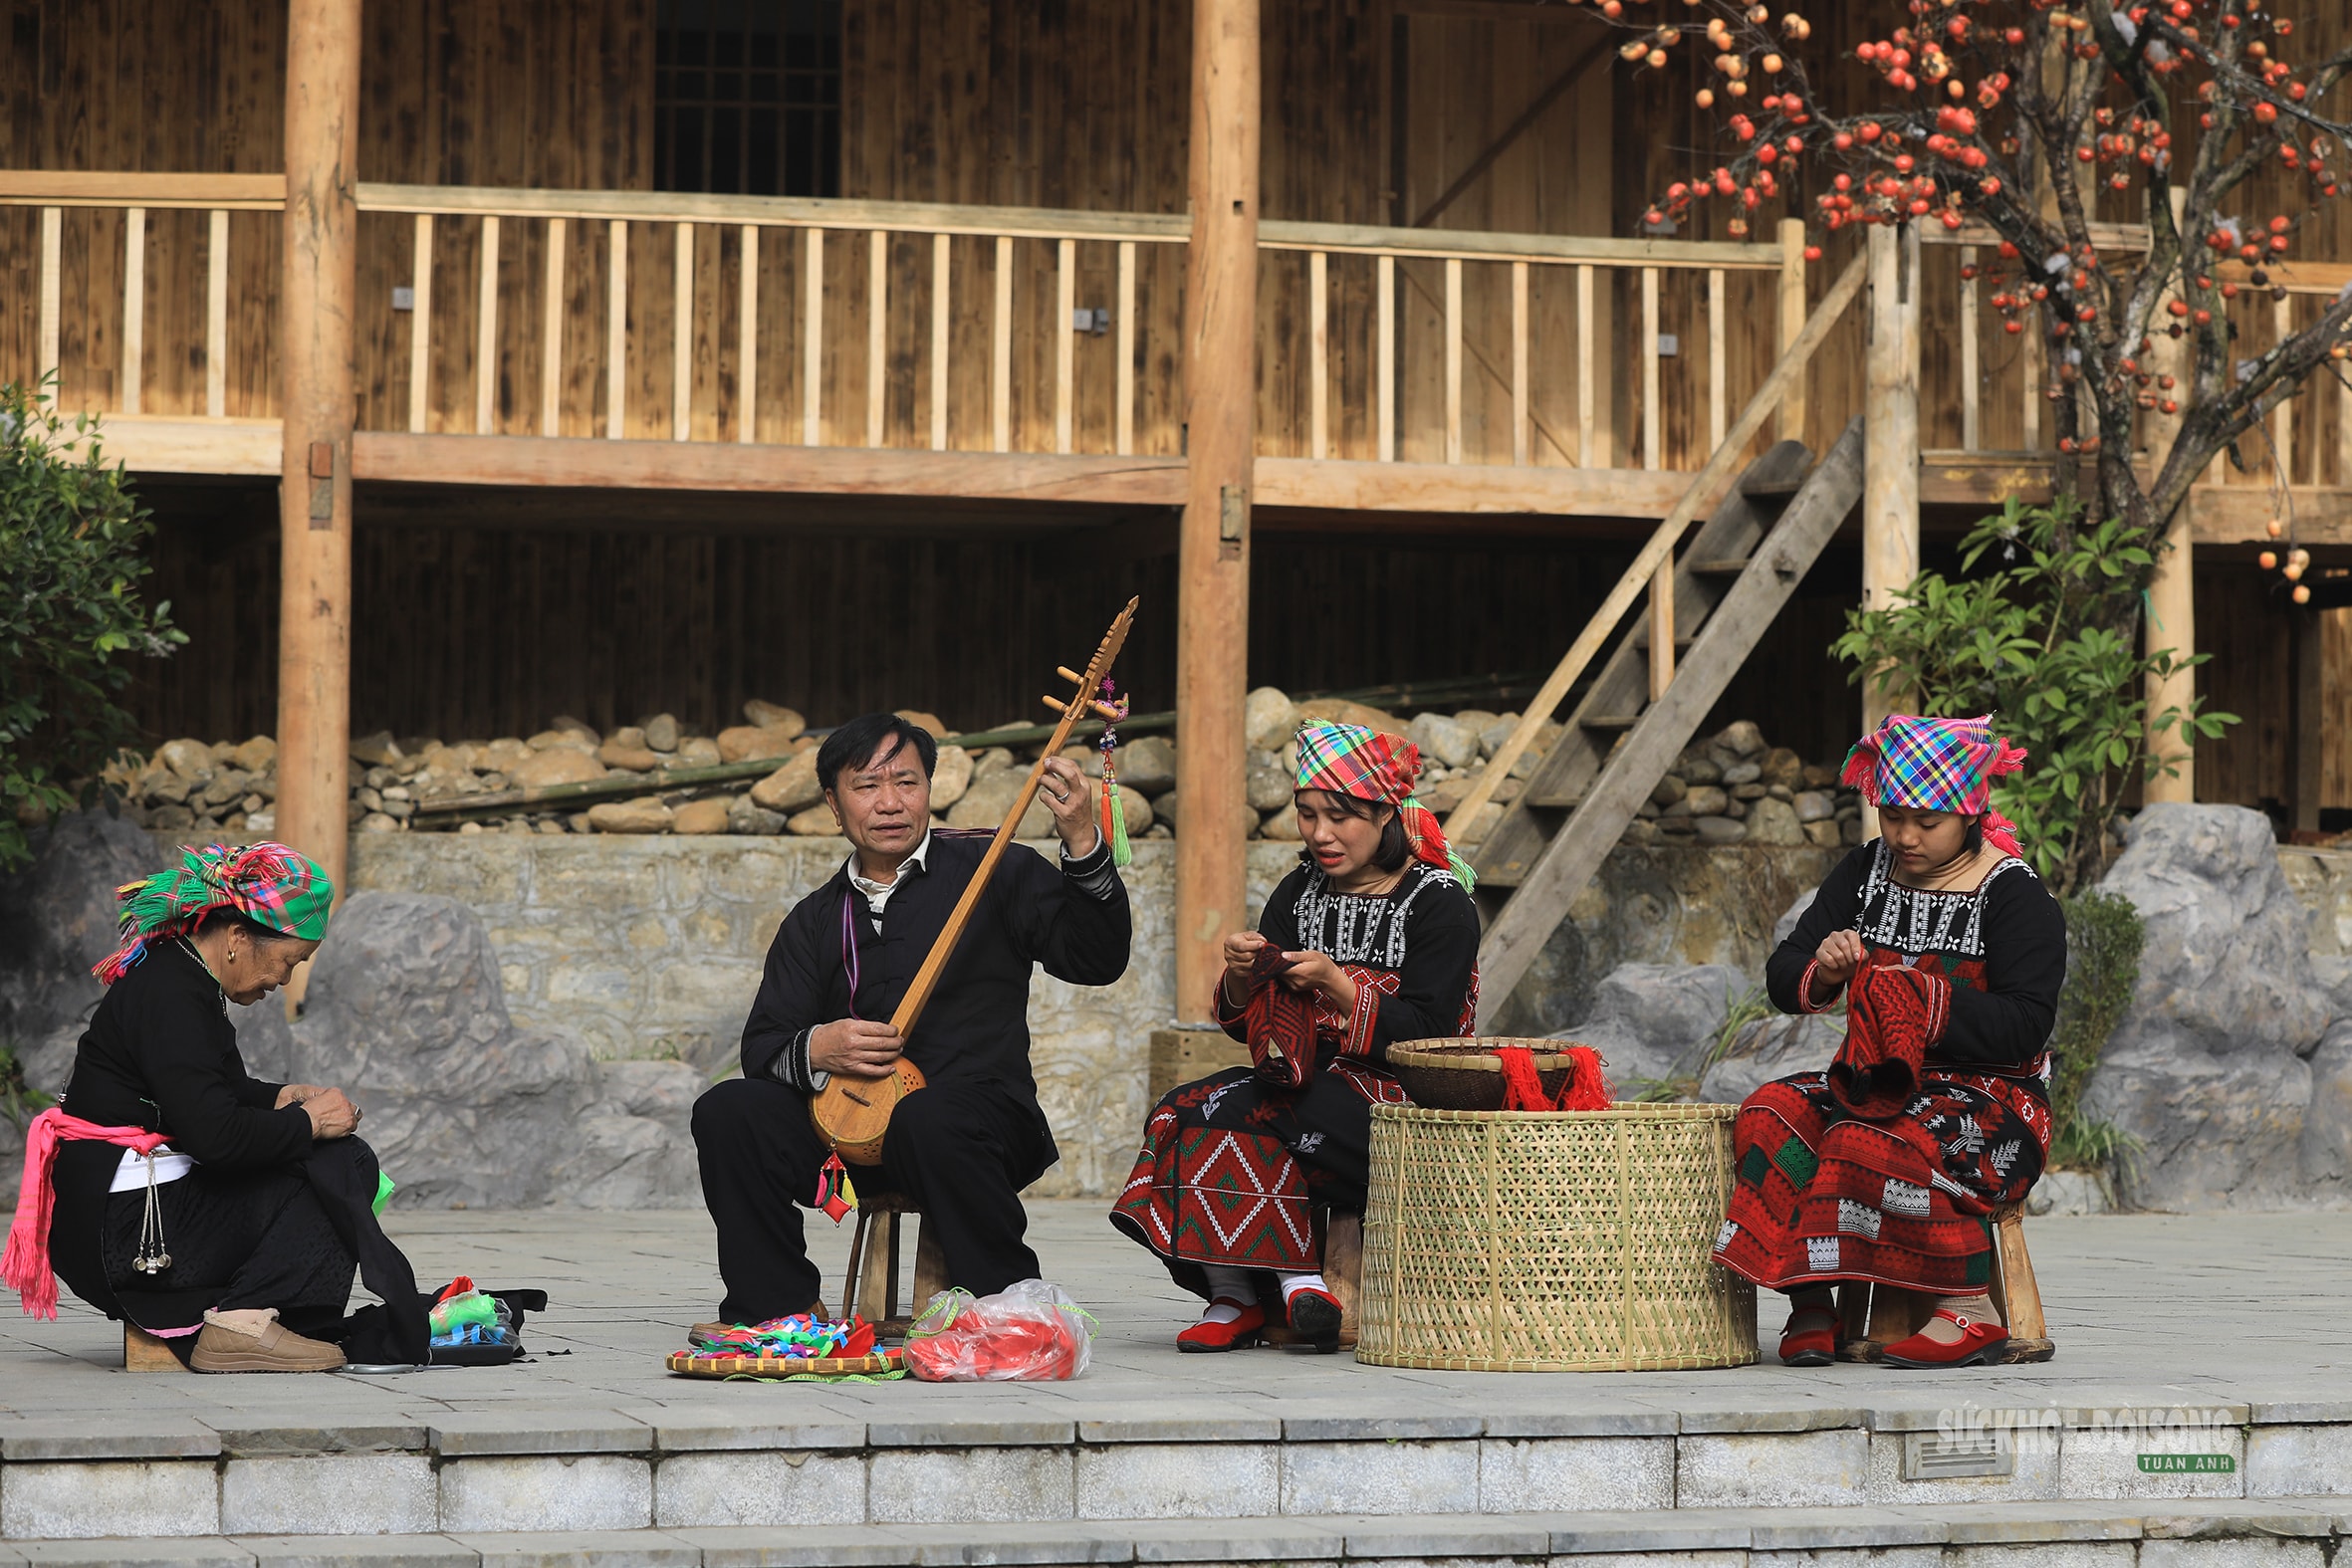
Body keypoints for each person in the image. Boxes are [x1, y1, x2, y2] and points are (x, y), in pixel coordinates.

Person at [691, 713, 1132, 1329]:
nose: (891, 803)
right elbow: (764, 1045)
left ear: (931, 788)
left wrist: (1082, 839)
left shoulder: (993, 869)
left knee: (927, 1117)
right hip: (848, 1168)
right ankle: (779, 1310)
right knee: (727, 1110)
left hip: (977, 1137)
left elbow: (1097, 960)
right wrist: (821, 1046)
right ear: (833, 803)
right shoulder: (816, 919)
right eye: (867, 786)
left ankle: (1010, 1307)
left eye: (907, 782)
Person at [1111, 721, 1479, 1353]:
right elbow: (1255, 1023)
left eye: (1339, 816)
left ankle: (1278, 1283)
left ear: (1387, 813)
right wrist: (1240, 979)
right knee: (1183, 1111)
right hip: (1303, 1081)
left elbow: (1432, 1037)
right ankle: (1249, 1293)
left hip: (1403, 1103)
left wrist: (1340, 986)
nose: (1319, 834)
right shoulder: (1298, 891)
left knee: (1256, 1113)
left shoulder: (1440, 903)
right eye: (1307, 815)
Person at [1714, 714, 2066, 1370]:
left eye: (1926, 821)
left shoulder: (2013, 895)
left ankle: (1970, 1306)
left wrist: (1923, 1001)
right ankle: (1810, 1297)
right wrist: (1826, 966)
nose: (1904, 834)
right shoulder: (1866, 873)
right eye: (1892, 814)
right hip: (1877, 1081)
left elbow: (2026, 1023)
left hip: (1996, 1103)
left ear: (1969, 812)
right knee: (1772, 1111)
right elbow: (1784, 972)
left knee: (1870, 1136)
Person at [4, 841, 428, 1372]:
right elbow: (216, 1138)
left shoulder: (180, 978)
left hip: (118, 1220)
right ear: (236, 938)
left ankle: (250, 1317)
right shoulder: (172, 994)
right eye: (287, 961)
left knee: (330, 1156)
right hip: (127, 1237)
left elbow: (209, 1088)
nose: (284, 980)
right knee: (343, 1163)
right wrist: (308, 1122)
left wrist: (282, 1098)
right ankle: (242, 1323)